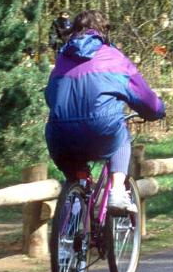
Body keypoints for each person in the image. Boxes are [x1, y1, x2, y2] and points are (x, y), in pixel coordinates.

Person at [44, 11, 165, 212]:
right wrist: (158, 111)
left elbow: (50, 97)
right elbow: (145, 98)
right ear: (104, 32)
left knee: (73, 171)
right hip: (101, 128)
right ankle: (117, 191)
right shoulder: (115, 58)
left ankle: (74, 205)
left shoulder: (61, 60)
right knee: (121, 137)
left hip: (59, 135)